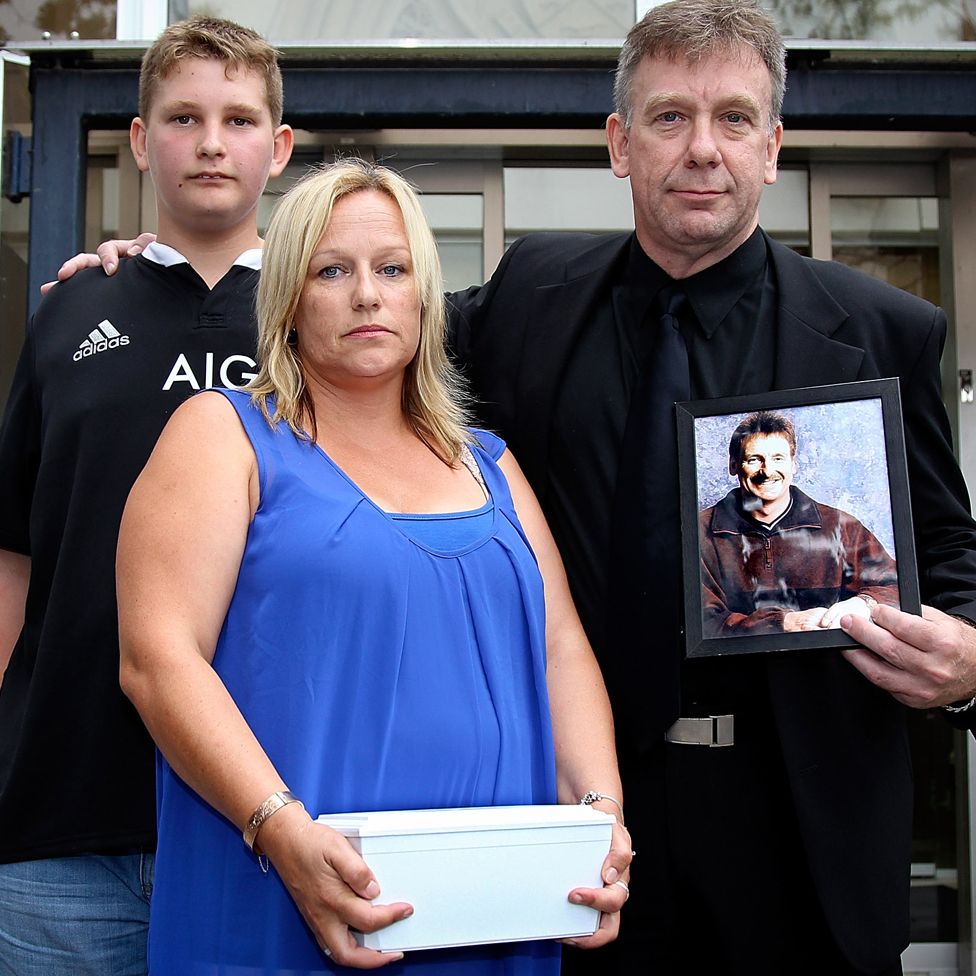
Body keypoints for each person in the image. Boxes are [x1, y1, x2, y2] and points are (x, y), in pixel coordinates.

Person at [53, 1, 976, 972]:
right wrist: (153, 281)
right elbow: (356, 321)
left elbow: (951, 554)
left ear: (773, 144)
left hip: (797, 829)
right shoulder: (534, 297)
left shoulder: (880, 330)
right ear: (619, 143)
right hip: (572, 842)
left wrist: (965, 657)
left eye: (733, 118)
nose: (701, 149)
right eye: (668, 117)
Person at [116, 159, 631, 974]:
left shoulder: (489, 462)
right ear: (286, 298)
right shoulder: (224, 435)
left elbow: (560, 646)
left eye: (392, 269)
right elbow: (158, 661)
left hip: (493, 917)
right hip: (283, 900)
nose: (367, 294)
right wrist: (280, 829)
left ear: (424, 298)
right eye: (332, 270)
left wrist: (601, 813)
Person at [0, 17, 293, 974]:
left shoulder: (320, 319)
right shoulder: (71, 310)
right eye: (184, 117)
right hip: (63, 825)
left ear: (279, 147)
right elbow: (16, 548)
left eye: (240, 119)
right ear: (138, 140)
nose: (212, 142)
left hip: (274, 815)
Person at [701, 410, 900, 637]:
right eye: (754, 459)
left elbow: (895, 587)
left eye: (778, 458)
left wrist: (865, 603)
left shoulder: (841, 527)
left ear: (793, 465)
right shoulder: (700, 533)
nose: (767, 471)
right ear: (734, 465)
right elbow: (701, 622)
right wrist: (783, 623)